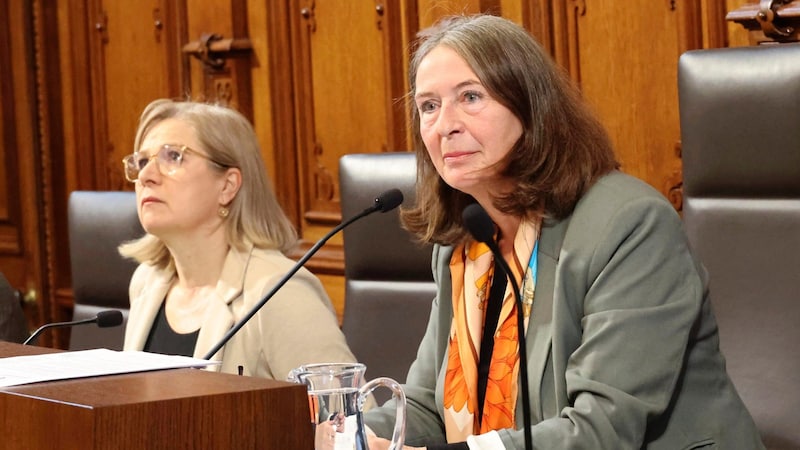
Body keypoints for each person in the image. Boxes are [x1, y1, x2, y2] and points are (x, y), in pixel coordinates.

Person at [364, 14, 764, 450]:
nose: (445, 125)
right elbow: (426, 407)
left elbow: (601, 429)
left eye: (471, 96)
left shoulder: (628, 226)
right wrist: (355, 433)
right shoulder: (466, 242)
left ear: (531, 108)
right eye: (428, 106)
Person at [119, 99, 357, 380]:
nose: (146, 175)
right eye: (143, 161)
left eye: (173, 156)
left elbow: (346, 417)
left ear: (227, 186)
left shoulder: (277, 291)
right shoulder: (146, 282)